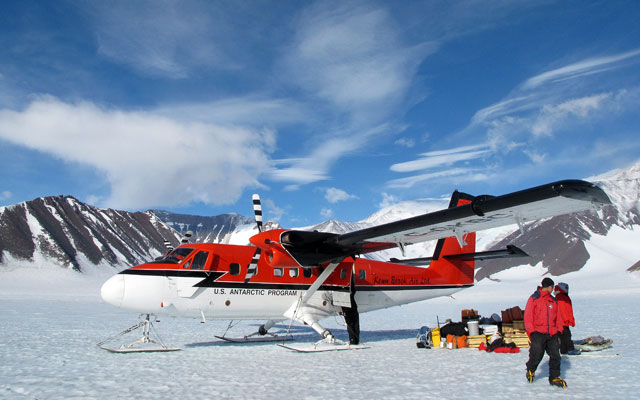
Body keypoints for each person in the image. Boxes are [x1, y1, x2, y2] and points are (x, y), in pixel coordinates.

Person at [524, 277, 567, 388]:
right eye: (552, 287)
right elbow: (528, 316)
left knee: (556, 356)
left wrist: (559, 331)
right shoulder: (534, 299)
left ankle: (554, 377)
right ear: (547, 287)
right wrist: (531, 332)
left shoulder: (553, 300)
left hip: (552, 333)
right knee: (537, 354)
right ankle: (531, 369)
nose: (553, 289)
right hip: (538, 332)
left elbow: (558, 317)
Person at [554, 282, 579, 355]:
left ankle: (563, 350)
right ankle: (570, 349)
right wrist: (566, 320)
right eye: (566, 288)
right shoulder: (561, 298)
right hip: (562, 321)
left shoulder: (563, 297)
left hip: (563, 321)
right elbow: (563, 311)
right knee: (567, 335)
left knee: (562, 336)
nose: (567, 290)